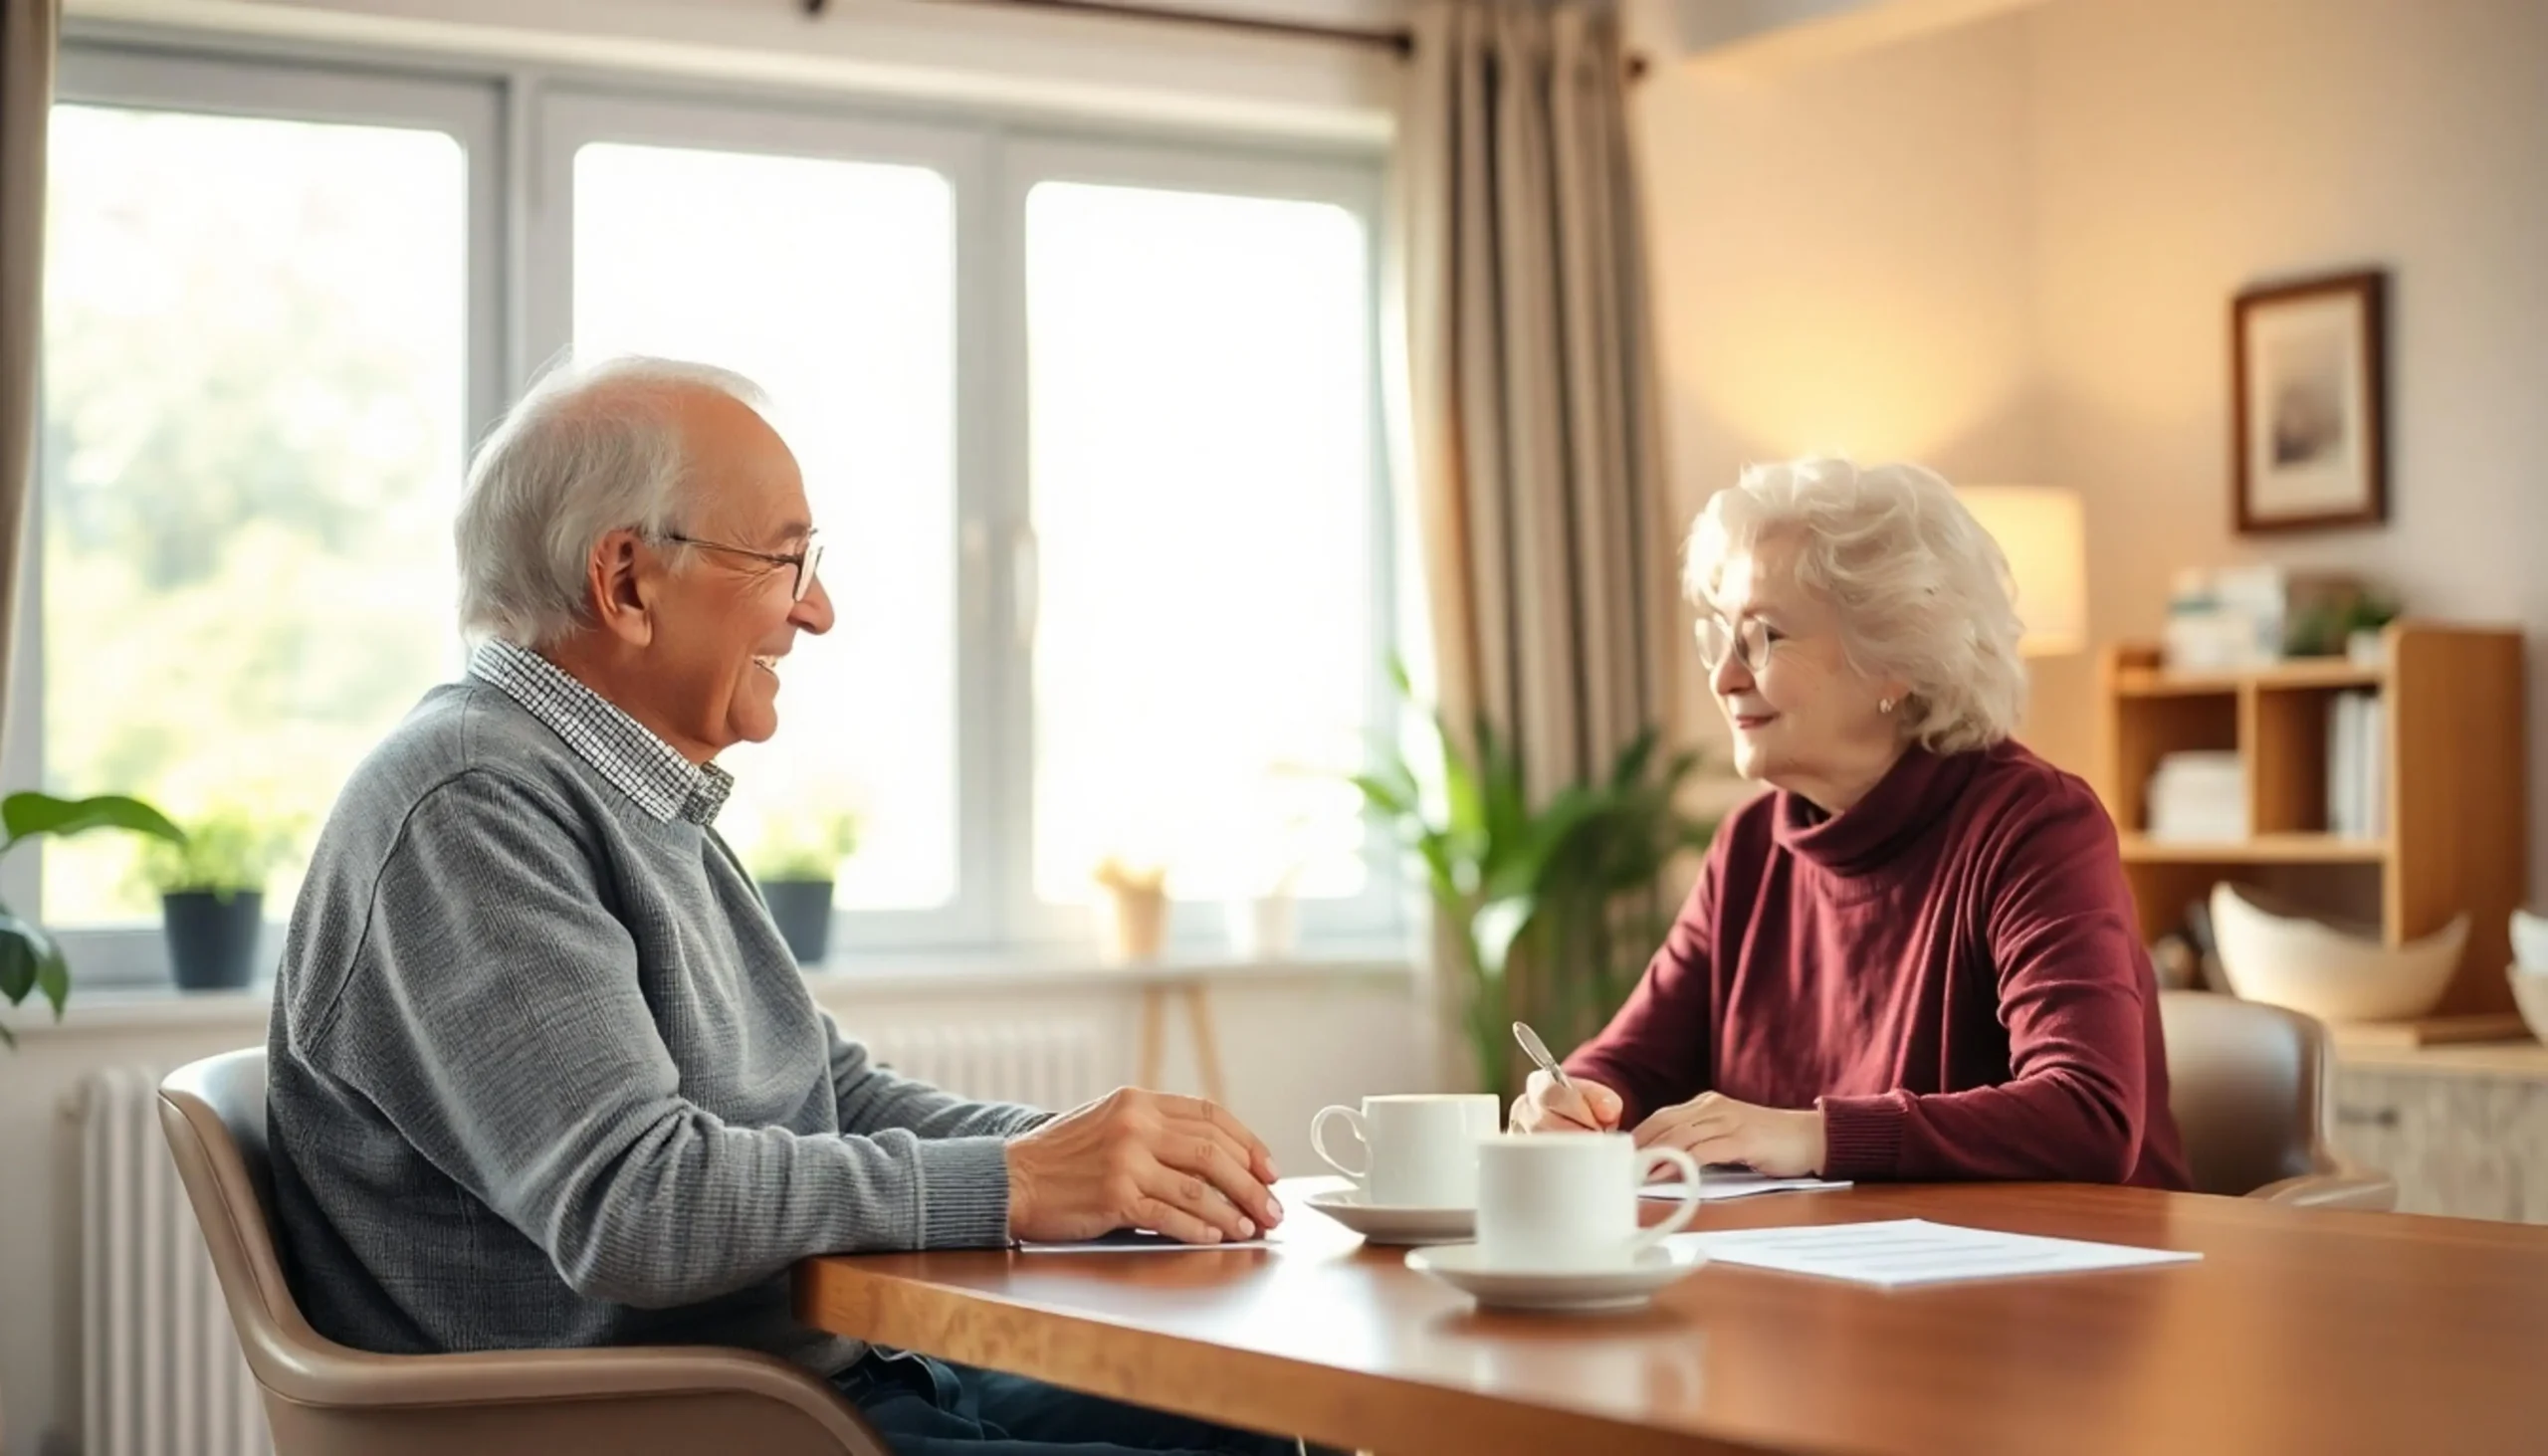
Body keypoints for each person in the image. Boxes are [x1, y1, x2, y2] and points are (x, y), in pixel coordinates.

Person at [266, 355, 1302, 1455]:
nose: (818, 608)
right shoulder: (471, 806)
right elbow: (637, 1203)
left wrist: (1094, 1155)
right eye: (784, 557)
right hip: (697, 1426)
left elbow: (826, 1094)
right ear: (625, 580)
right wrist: (1019, 1179)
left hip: (813, 1391)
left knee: (1271, 1414)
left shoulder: (626, 793)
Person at [1511, 458, 2191, 1190]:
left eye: (1765, 636)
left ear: (1895, 660)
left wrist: (1813, 1133)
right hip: (1837, 1278)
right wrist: (1570, 1101)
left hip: (2079, 1279)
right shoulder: (1750, 847)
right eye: (1722, 637)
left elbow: (2089, 1116)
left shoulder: (2036, 827)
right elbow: (1631, 1064)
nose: (1724, 677)